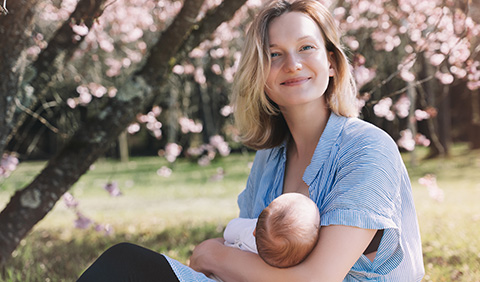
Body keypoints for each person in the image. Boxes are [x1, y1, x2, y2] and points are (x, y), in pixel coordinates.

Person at [77, 0, 425, 281]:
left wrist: (214, 254)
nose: (292, 64)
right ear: (260, 73)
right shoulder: (271, 158)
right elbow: (247, 255)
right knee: (125, 265)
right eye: (274, 54)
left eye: (306, 48)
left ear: (331, 62)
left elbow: (317, 278)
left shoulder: (367, 149)